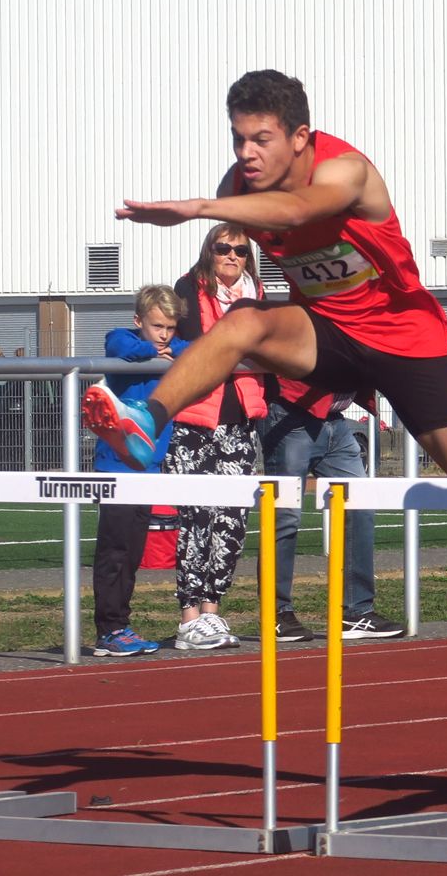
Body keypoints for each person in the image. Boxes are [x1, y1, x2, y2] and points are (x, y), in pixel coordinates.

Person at [83, 69, 447, 632]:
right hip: (328, 334)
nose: (246, 153)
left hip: (404, 342)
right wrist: (216, 208)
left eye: (261, 139)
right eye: (238, 139)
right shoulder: (237, 188)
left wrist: (199, 209)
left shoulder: (346, 170)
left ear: (300, 137)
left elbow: (298, 211)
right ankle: (146, 421)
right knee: (243, 322)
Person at [159, 225, 270, 650]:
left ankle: (212, 610)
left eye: (240, 250)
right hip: (194, 418)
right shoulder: (189, 287)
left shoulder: (257, 295)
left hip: (239, 419)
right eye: (223, 248)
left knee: (232, 519)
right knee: (197, 516)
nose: (232, 256)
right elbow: (188, 339)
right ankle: (189, 616)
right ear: (210, 251)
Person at [258, 377, 405, 641]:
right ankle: (276, 614)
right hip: (290, 412)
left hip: (335, 420)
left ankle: (356, 612)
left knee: (360, 505)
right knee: (285, 515)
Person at [88, 285, 189, 656]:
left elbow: (196, 350)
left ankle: (120, 626)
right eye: (157, 326)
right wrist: (153, 352)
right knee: (114, 549)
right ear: (138, 321)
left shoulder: (172, 347)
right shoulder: (122, 338)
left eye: (170, 328)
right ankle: (109, 630)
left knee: (132, 552)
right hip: (117, 464)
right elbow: (120, 347)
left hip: (149, 467)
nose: (164, 335)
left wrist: (173, 351)